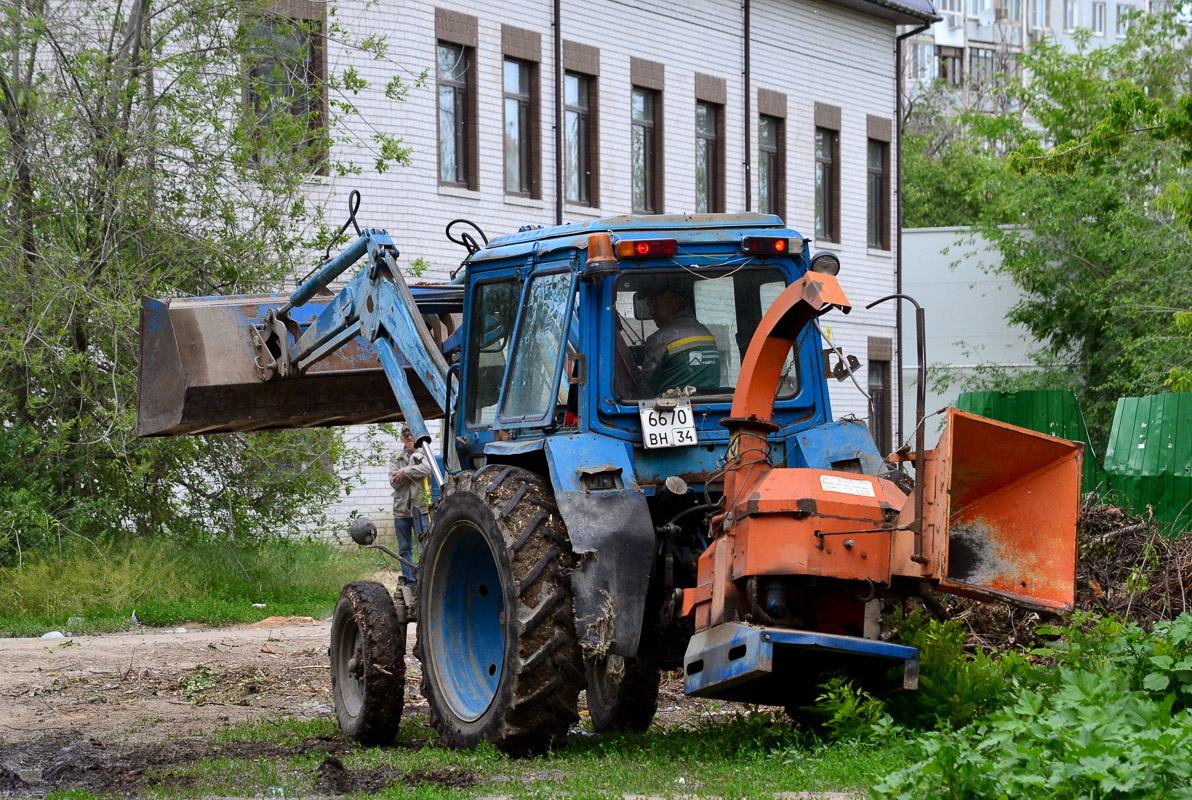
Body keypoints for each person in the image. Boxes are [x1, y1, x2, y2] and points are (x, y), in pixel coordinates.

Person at [639, 288, 722, 396]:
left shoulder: (659, 340)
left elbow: (645, 387)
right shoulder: (706, 333)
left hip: (668, 407)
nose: (651, 313)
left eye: (657, 306)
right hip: (711, 405)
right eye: (649, 307)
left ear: (676, 304)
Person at [389, 426, 432, 587]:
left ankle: (424, 582)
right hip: (401, 510)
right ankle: (410, 583)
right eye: (405, 435)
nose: (409, 437)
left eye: (411, 434)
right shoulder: (396, 458)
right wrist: (413, 472)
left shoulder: (424, 453)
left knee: (424, 546)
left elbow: (427, 469)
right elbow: (393, 482)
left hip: (420, 509)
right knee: (404, 550)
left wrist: (405, 472)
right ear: (401, 438)